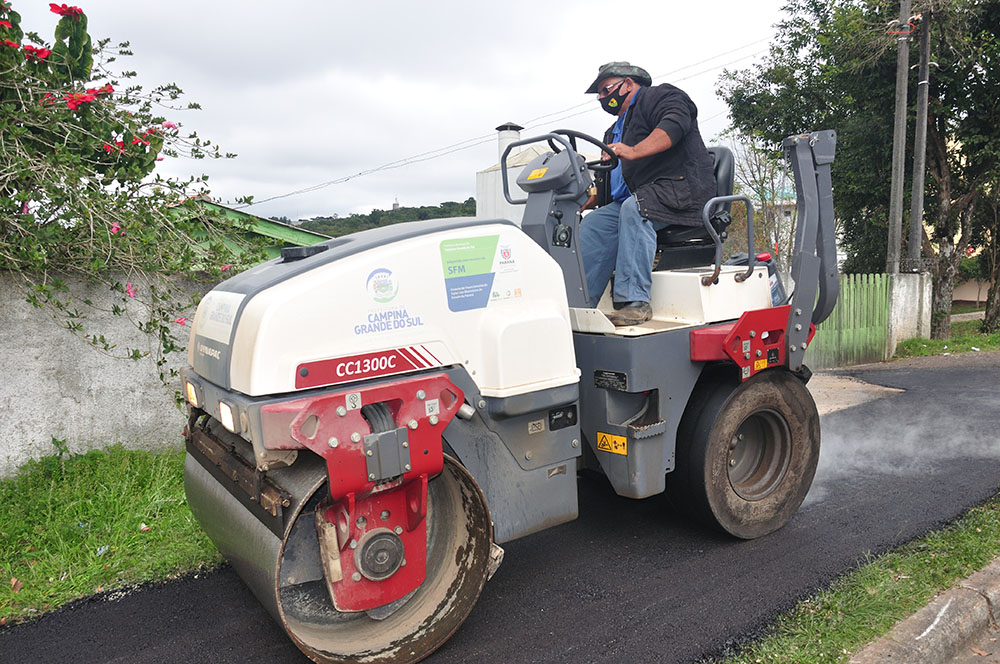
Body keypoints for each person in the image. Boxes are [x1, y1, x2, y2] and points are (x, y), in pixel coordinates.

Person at [579, 61, 716, 326]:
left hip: (680, 192)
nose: (602, 98)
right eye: (600, 95)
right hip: (639, 199)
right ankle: (580, 303)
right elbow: (611, 176)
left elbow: (674, 125)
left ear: (628, 84)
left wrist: (632, 150)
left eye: (606, 90)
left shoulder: (661, 97)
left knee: (636, 207)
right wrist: (590, 198)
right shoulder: (614, 130)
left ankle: (635, 302)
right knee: (594, 223)